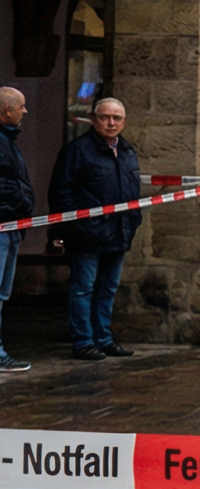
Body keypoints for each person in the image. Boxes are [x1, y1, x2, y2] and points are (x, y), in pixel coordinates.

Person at [50, 95, 140, 358]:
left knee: (108, 288)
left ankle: (103, 338)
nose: (111, 123)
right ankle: (83, 341)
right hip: (87, 234)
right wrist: (75, 227)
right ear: (93, 119)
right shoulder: (78, 150)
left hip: (119, 231)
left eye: (117, 118)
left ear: (124, 122)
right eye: (104, 117)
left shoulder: (126, 150)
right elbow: (61, 192)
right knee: (83, 288)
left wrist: (133, 221)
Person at [0, 87, 34, 370]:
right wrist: (22, 203)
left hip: (10, 226)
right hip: (3, 224)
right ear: (6, 110)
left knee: (2, 293)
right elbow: (5, 183)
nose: (25, 111)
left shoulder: (8, 139)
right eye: (21, 106)